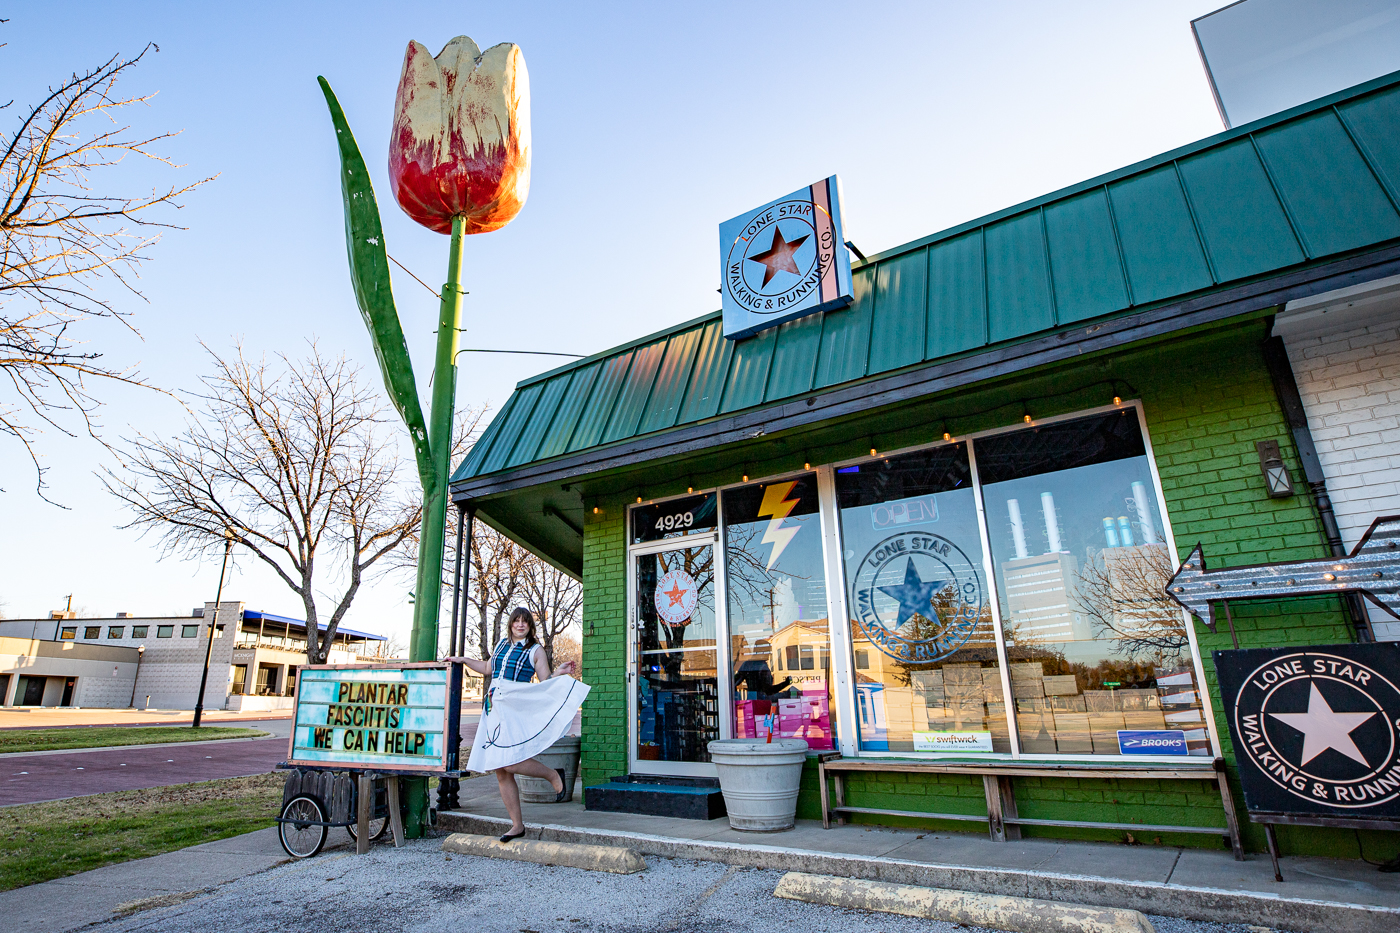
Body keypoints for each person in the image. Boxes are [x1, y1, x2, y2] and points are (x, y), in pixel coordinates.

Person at [446, 607, 589, 842]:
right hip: (493, 708)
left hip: (514, 707)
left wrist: (559, 673)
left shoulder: (535, 650)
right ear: (511, 624)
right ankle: (517, 825)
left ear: (530, 626)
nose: (520, 625)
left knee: (509, 761)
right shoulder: (502, 645)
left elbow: (545, 681)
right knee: (500, 770)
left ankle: (552, 774)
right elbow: (487, 668)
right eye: (516, 621)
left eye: (525, 622)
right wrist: (462, 659)